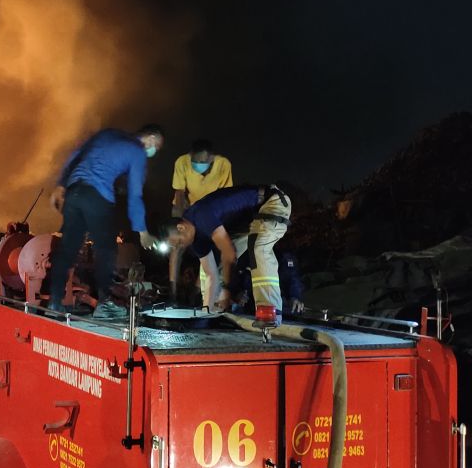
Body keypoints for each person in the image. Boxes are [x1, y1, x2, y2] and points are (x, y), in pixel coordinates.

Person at [47, 125, 164, 312]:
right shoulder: (137, 152)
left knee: (68, 248)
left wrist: (61, 185)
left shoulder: (107, 134)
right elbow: (135, 195)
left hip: (74, 191)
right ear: (150, 138)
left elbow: (76, 153)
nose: (154, 150)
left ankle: (54, 301)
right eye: (156, 146)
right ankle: (105, 304)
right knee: (106, 249)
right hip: (97, 195)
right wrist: (142, 231)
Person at [164, 184, 292, 322]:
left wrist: (226, 290)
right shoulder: (195, 239)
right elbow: (210, 274)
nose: (179, 247)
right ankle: (212, 312)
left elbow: (229, 254)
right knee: (217, 262)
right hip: (248, 220)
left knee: (258, 248)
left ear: (181, 227)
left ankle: (270, 312)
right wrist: (205, 313)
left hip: (271, 202)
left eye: (178, 242)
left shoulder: (202, 215)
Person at [170, 138, 234, 307]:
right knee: (176, 248)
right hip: (189, 211)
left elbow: (226, 195)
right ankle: (173, 292)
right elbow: (179, 194)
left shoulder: (223, 165)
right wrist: (179, 220)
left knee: (207, 254)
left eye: (203, 161)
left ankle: (199, 293)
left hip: (211, 213)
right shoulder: (182, 162)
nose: (198, 164)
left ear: (211, 158)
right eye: (195, 161)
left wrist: (218, 224)